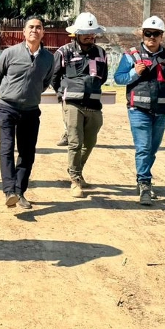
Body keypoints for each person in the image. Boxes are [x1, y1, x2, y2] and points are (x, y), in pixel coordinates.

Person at [114, 16, 165, 206]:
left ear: (162, 36)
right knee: (143, 148)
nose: (151, 37)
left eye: (156, 34)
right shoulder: (132, 55)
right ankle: (144, 184)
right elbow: (118, 78)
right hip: (138, 109)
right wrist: (135, 72)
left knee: (152, 149)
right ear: (142, 35)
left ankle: (142, 179)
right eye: (148, 33)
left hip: (161, 110)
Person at [0, 17, 55, 209]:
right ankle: (9, 191)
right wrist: (10, 93)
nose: (34, 30)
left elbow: (45, 82)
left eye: (38, 27)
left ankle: (19, 191)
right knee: (7, 148)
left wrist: (30, 95)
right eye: (31, 27)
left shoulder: (48, 58)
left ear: (43, 32)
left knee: (27, 153)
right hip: (7, 108)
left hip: (30, 110)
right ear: (24, 31)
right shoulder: (10, 53)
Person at [52, 12, 108, 199]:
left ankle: (75, 169)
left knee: (90, 142)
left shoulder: (101, 53)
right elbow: (54, 77)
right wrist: (63, 94)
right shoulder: (64, 52)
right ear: (76, 33)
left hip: (94, 103)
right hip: (72, 103)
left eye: (92, 32)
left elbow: (103, 77)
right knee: (75, 142)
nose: (89, 36)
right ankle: (75, 180)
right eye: (85, 33)